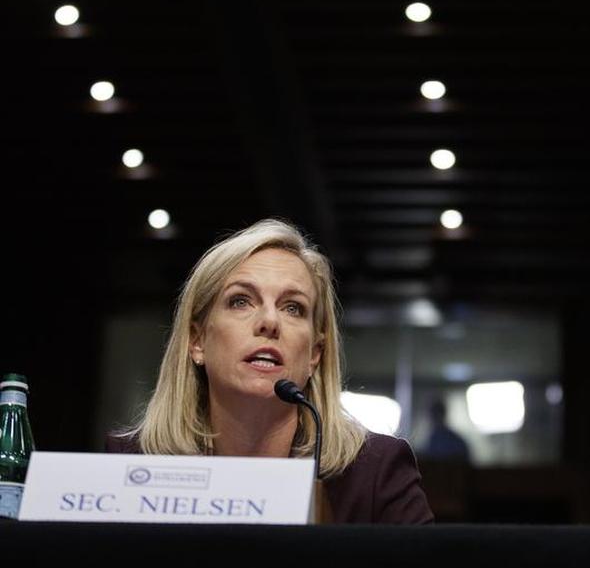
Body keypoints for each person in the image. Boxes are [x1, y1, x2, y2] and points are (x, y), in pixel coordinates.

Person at [107, 219, 433, 524]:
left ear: (314, 354)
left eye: (293, 308)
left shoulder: (375, 474)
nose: (270, 322)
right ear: (197, 341)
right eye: (241, 301)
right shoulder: (130, 462)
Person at [421, 398, 471, 463]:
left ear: (442, 414)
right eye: (432, 414)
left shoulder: (455, 441)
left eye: (436, 414)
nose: (433, 418)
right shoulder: (431, 440)